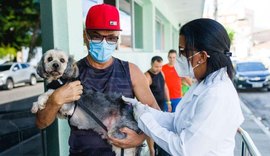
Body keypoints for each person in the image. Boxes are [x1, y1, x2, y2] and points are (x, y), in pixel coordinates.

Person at [35, 4, 159, 156]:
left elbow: (154, 110)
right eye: (97, 36)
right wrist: (55, 100)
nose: (104, 43)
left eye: (111, 38)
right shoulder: (70, 72)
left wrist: (140, 139)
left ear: (117, 39)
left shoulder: (131, 71)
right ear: (85, 36)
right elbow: (41, 123)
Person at [117, 18, 244, 155]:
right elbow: (176, 121)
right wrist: (142, 108)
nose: (179, 58)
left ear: (201, 56)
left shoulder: (216, 95)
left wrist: (144, 118)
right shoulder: (203, 84)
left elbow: (185, 149)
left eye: (183, 51)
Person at [144, 56, 171, 156]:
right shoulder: (147, 76)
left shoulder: (161, 73)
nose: (158, 69)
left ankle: (159, 148)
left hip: (161, 106)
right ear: (151, 64)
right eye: (156, 66)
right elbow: (143, 93)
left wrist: (168, 102)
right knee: (150, 129)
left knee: (160, 128)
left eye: (160, 66)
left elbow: (165, 87)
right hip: (151, 108)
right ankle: (151, 150)